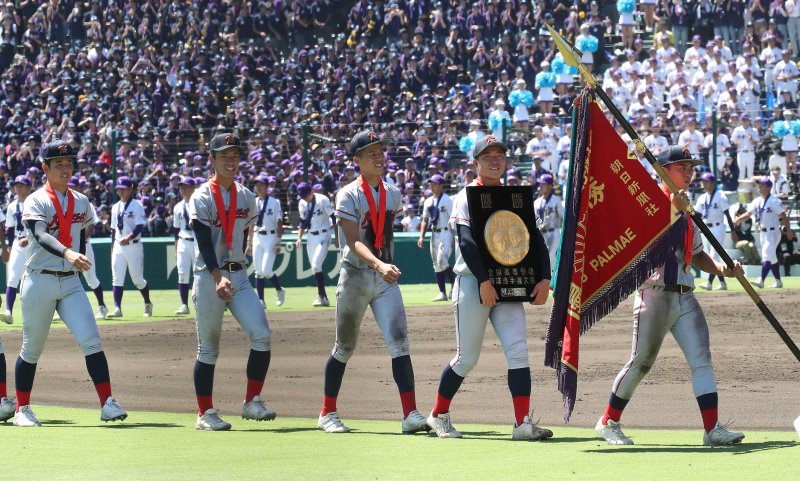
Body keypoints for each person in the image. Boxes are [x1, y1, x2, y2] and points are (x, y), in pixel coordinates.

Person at [596, 145, 746, 447]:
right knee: (641, 362)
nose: (689, 173)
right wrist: (675, 208)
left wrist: (724, 270)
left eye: (690, 168)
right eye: (682, 167)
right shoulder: (648, 204)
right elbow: (647, 239)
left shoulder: (690, 211)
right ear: (663, 170)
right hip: (654, 294)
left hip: (685, 295)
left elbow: (698, 255)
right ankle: (608, 421)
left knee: (702, 360)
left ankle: (712, 429)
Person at [426, 135, 553, 441]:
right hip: (473, 282)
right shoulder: (465, 195)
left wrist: (545, 278)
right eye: (488, 156)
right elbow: (467, 242)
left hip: (508, 284)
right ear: (476, 163)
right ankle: (438, 415)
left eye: (500, 155)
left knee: (519, 353)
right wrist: (483, 280)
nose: (495, 160)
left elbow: (534, 240)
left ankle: (522, 424)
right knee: (467, 358)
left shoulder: (515, 197)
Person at [317, 130, 428, 435]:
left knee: (400, 343)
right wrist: (380, 262)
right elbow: (352, 242)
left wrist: (384, 262)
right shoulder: (348, 194)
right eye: (371, 154)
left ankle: (410, 414)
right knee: (344, 347)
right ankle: (327, 412)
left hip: (383, 277)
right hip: (355, 276)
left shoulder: (392, 192)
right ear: (357, 161)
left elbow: (384, 232)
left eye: (381, 152)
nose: (379, 158)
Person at [12, 140, 127, 427]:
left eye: (69, 163)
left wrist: (74, 256)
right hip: (40, 279)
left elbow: (81, 233)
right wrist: (68, 252)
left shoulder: (81, 200)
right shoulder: (36, 199)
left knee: (92, 340)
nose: (65, 168)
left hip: (70, 282)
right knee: (32, 349)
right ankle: (22, 409)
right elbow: (39, 233)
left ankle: (108, 403)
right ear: (45, 168)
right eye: (58, 164)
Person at [188, 133, 275, 431]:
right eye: (224, 155)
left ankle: (252, 402)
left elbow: (242, 232)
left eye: (235, 155)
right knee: (209, 349)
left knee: (262, 335)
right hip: (208, 274)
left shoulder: (247, 196)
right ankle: (205, 413)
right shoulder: (201, 196)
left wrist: (233, 269)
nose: (230, 160)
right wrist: (216, 276)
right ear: (211, 159)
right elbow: (203, 242)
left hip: (238, 274)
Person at [733, 177, 795, 288]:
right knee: (772, 258)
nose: (759, 187)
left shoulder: (774, 200)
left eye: (762, 185)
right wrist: (738, 219)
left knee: (766, 255)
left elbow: (783, 216)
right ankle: (778, 281)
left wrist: (789, 230)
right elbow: (748, 214)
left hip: (773, 232)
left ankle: (761, 279)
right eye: (759, 185)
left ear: (768, 187)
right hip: (763, 233)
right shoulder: (757, 200)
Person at [109, 176, 153, 317]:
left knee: (137, 280)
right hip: (118, 246)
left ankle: (147, 303)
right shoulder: (115, 207)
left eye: (123, 189)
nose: (120, 191)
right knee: (117, 278)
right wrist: (112, 248)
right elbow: (113, 230)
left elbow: (140, 226)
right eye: (119, 189)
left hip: (133, 245)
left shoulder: (137, 205)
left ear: (130, 189)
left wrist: (128, 238)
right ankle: (117, 308)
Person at [295, 181, 337, 307]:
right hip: (311, 236)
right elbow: (303, 221)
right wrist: (299, 238)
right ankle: (323, 297)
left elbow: (334, 217)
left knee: (316, 264)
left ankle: (321, 296)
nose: (304, 199)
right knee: (315, 268)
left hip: (324, 234)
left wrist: (337, 237)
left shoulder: (322, 199)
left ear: (311, 192)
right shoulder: (302, 202)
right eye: (301, 196)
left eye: (305, 195)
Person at [250, 174, 286, 308]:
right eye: (257, 185)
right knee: (258, 271)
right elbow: (251, 223)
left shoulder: (274, 202)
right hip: (257, 236)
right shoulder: (254, 202)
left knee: (266, 270)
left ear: (267, 187)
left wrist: (278, 241)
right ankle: (261, 301)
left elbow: (279, 222)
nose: (259, 188)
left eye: (261, 185)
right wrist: (249, 242)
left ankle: (279, 289)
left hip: (270, 236)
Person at [417, 174, 455, 301]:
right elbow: (425, 220)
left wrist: (454, 236)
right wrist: (421, 236)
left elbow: (453, 219)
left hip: (446, 232)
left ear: (441, 185)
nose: (432, 186)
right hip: (434, 233)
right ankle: (442, 293)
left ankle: (455, 284)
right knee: (436, 264)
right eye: (430, 184)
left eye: (434, 184)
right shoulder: (428, 201)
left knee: (441, 261)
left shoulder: (447, 200)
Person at [695, 173, 734, 290]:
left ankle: (709, 283)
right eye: (703, 181)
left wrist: (733, 231)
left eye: (706, 181)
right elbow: (698, 215)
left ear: (712, 183)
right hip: (707, 228)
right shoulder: (702, 198)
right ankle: (722, 283)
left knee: (714, 255)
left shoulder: (720, 195)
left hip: (719, 227)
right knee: (714, 258)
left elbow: (727, 214)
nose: (704, 184)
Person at [4, 175, 32, 324]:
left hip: (34, 245)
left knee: (34, 280)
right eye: (17, 185)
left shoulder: (35, 203)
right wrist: (8, 248)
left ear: (28, 187)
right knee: (13, 277)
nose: (18, 187)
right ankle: (8, 311)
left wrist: (30, 238)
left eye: (21, 185)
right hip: (17, 244)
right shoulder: (11, 206)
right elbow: (9, 228)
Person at [172, 177, 196, 315]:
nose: (184, 190)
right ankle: (184, 305)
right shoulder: (177, 207)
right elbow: (176, 230)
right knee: (182, 274)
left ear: (194, 188)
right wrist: (176, 247)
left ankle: (200, 302)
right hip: (183, 241)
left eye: (186, 187)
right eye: (182, 187)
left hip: (197, 242)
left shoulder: (199, 204)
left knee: (199, 275)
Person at [533, 174, 564, 271]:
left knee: (550, 256)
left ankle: (553, 279)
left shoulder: (556, 200)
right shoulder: (537, 202)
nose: (541, 186)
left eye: (544, 184)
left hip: (553, 231)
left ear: (550, 186)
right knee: (540, 256)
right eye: (540, 184)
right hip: (541, 232)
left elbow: (562, 217)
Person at [731, 114, 759, 179]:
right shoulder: (737, 130)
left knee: (750, 173)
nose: (745, 121)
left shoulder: (754, 130)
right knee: (741, 173)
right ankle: (741, 188)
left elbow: (756, 143)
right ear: (741, 120)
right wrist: (736, 142)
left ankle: (751, 188)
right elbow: (733, 141)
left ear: (749, 120)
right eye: (743, 120)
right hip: (741, 152)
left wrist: (751, 139)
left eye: (746, 120)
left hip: (750, 152)